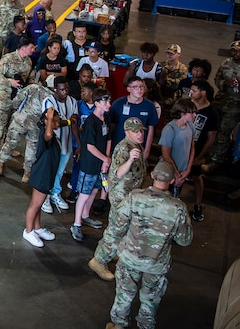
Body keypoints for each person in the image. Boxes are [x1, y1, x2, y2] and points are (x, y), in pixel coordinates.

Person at [104, 160, 193, 329]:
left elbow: (117, 223)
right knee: (151, 298)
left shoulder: (135, 197)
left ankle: (119, 324)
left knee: (124, 293)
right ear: (172, 180)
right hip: (156, 264)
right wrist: (186, 221)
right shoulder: (178, 208)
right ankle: (145, 324)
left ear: (152, 175)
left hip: (130, 258)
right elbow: (185, 240)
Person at [88, 117, 148, 282]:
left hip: (130, 195)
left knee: (124, 228)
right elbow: (118, 173)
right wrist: (129, 160)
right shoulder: (124, 149)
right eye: (136, 131)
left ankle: (114, 252)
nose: (140, 134)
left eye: (141, 130)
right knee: (115, 230)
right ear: (127, 132)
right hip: (121, 197)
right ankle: (99, 261)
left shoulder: (136, 146)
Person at [71, 88, 111, 243]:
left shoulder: (105, 119)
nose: (109, 104)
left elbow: (108, 139)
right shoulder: (90, 122)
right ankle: (76, 224)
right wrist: (105, 159)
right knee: (84, 194)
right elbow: (90, 147)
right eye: (105, 101)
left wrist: (106, 159)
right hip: (89, 164)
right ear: (97, 103)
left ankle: (85, 215)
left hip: (100, 164)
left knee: (95, 190)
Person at [0, 81, 52, 181]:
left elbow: (17, 99)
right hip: (36, 125)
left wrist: (17, 109)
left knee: (10, 143)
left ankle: (0, 165)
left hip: (20, 120)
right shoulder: (52, 98)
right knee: (32, 148)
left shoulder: (33, 87)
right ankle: (26, 174)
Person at [0, 38, 36, 158]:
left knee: (12, 126)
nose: (33, 49)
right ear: (23, 47)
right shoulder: (8, 59)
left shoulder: (29, 62)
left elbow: (30, 78)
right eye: (31, 47)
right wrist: (9, 82)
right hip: (3, 98)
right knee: (0, 125)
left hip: (18, 100)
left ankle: (7, 147)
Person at [22, 108, 62, 247]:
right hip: (42, 175)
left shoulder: (51, 134)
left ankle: (37, 228)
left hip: (47, 174)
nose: (57, 123)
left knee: (39, 204)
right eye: (54, 121)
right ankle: (28, 231)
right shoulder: (45, 135)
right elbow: (49, 134)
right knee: (35, 205)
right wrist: (50, 119)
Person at [41, 76, 80, 213]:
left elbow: (74, 122)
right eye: (62, 89)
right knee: (50, 170)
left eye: (67, 89)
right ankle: (44, 196)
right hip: (53, 144)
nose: (65, 92)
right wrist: (69, 121)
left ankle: (55, 193)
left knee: (60, 171)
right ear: (55, 89)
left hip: (66, 142)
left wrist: (79, 144)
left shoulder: (73, 101)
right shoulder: (48, 101)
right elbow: (53, 124)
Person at [203, 40, 240, 174]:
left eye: (238, 51)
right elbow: (217, 79)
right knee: (213, 129)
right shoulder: (226, 63)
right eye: (233, 51)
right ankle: (209, 154)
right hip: (221, 101)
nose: (235, 54)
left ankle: (217, 160)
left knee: (224, 132)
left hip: (235, 105)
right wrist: (225, 82)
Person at [188, 80, 219, 221]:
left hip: (197, 149)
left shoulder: (211, 113)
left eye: (194, 91)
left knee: (196, 176)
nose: (191, 93)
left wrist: (201, 156)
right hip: (182, 148)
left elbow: (211, 137)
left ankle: (197, 205)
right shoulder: (187, 105)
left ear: (203, 93)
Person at [110, 76, 159, 161]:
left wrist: (147, 151)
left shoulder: (149, 105)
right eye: (135, 87)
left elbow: (151, 129)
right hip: (119, 147)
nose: (139, 89)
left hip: (139, 148)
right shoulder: (118, 104)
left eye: (141, 87)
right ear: (129, 89)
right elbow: (111, 126)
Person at [159, 98, 196, 200]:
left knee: (175, 197)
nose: (195, 115)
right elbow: (166, 156)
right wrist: (177, 175)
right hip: (170, 172)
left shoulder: (190, 126)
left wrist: (187, 170)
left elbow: (192, 148)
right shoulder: (169, 129)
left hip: (182, 172)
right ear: (182, 113)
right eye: (192, 113)